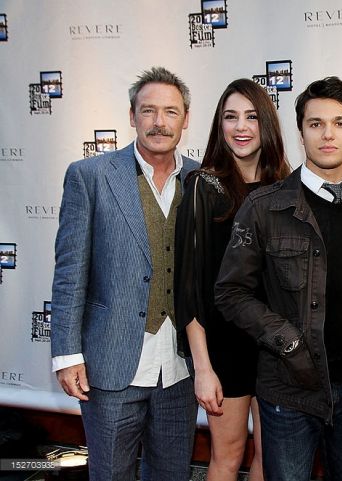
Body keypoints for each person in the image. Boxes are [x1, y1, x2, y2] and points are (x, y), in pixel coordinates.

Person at [214, 76, 342, 481]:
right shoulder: (264, 207)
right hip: (288, 388)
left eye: (339, 123)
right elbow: (230, 292)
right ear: (301, 133)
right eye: (316, 124)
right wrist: (288, 341)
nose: (328, 134)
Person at [51, 66, 199, 480]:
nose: (159, 122)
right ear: (132, 116)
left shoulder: (202, 180)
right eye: (148, 110)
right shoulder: (91, 177)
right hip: (110, 364)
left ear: (186, 119)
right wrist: (67, 354)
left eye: (170, 112)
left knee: (172, 474)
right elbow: (70, 271)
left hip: (180, 369)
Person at [175, 78, 291, 481]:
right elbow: (189, 287)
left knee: (271, 459)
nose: (241, 127)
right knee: (228, 455)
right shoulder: (202, 186)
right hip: (224, 349)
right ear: (219, 125)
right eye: (230, 117)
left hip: (275, 346)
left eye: (251, 116)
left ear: (266, 124)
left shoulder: (285, 188)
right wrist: (203, 368)